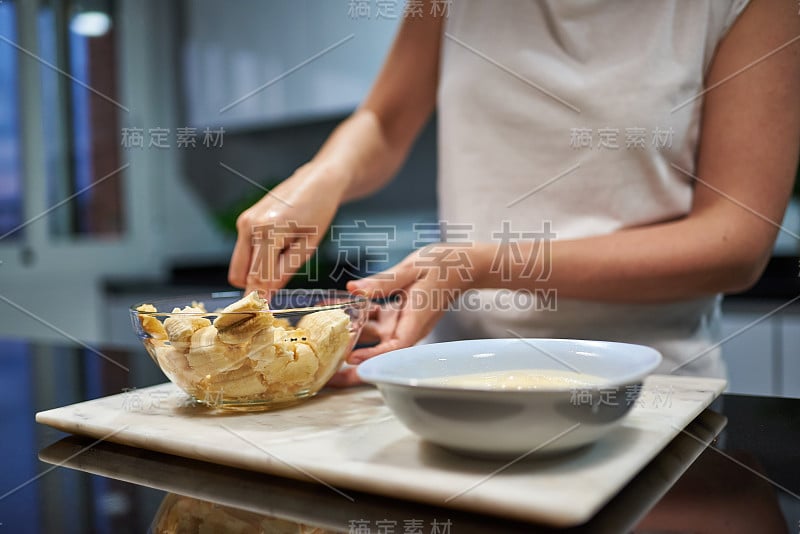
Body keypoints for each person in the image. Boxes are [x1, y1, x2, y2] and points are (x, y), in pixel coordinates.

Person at [228, 0, 800, 386]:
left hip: (647, 391)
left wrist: (478, 265)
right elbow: (384, 120)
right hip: (455, 375)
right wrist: (321, 176)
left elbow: (737, 242)